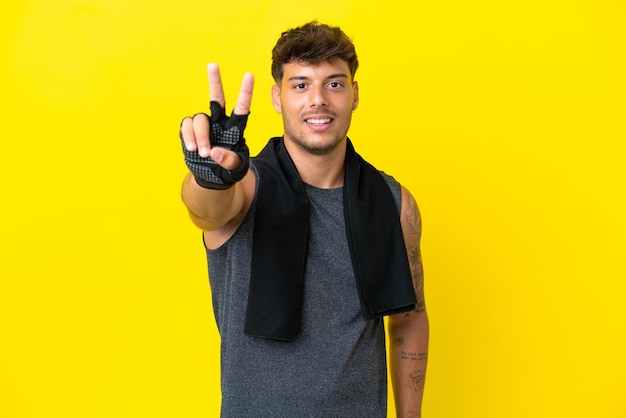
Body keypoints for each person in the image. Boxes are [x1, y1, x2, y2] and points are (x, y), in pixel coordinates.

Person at [179, 21, 429, 417]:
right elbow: (205, 210)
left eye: (334, 83)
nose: (318, 100)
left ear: (354, 94)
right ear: (277, 98)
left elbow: (409, 319)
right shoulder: (245, 189)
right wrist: (209, 177)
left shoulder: (394, 203)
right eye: (300, 85)